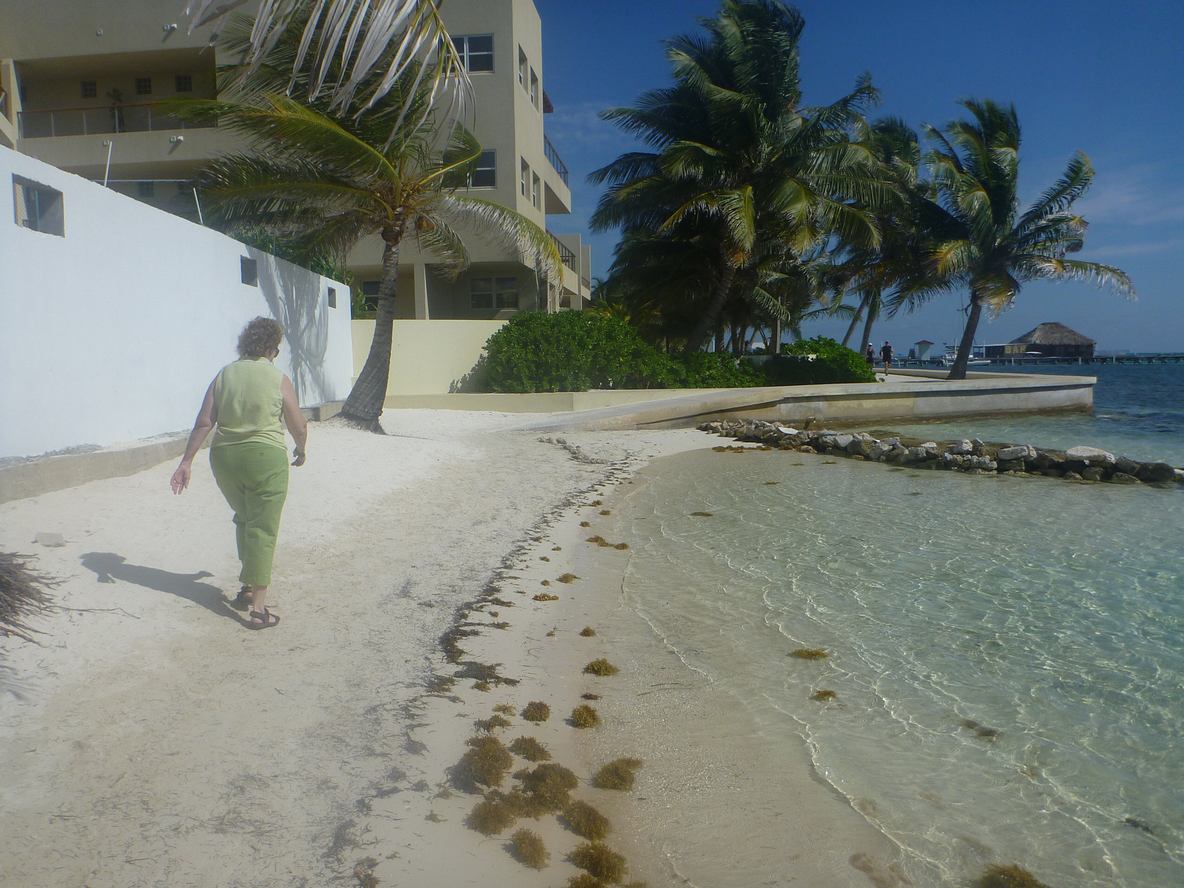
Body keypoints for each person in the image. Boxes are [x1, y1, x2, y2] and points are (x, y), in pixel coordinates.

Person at [170, 317, 307, 630]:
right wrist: (301, 449)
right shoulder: (277, 378)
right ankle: (258, 610)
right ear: (271, 348)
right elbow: (298, 424)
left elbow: (205, 422)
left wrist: (186, 461)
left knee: (245, 517)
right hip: (265, 458)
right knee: (263, 527)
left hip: (225, 459)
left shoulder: (224, 375)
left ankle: (247, 587)